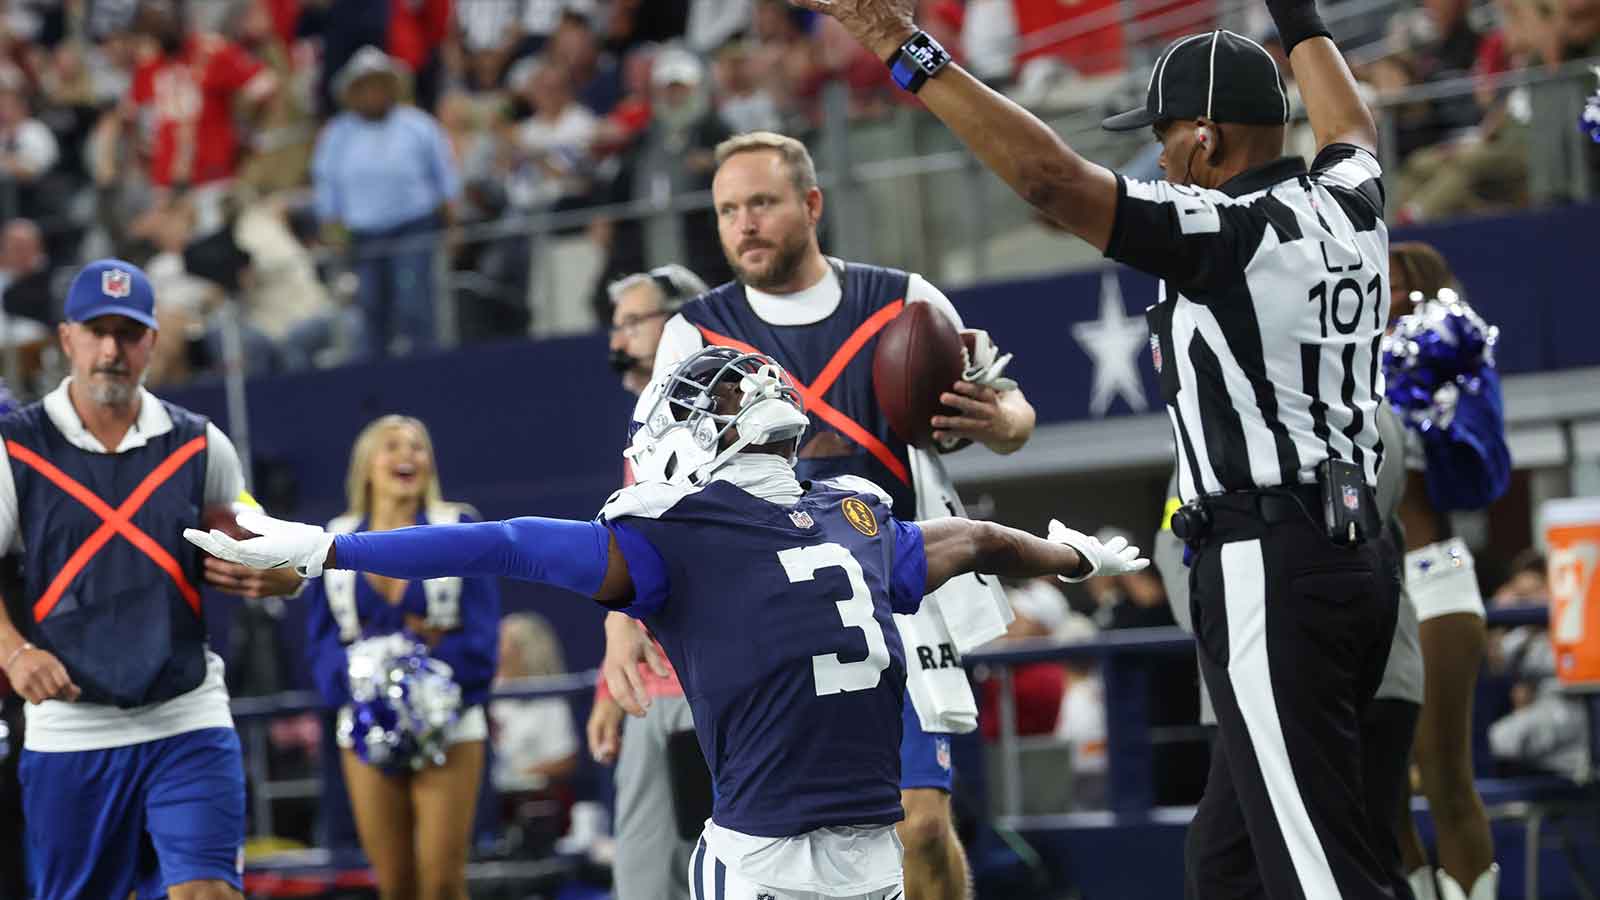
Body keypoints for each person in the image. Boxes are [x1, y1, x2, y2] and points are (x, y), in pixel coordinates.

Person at [800, 0, 1397, 895]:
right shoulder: (1352, 198)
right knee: (1226, 865)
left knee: (1323, 873)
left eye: (1162, 137)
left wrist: (902, 46)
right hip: (1356, 553)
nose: (1155, 157)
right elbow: (1349, 120)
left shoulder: (1223, 237)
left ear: (1205, 140)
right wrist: (1300, 14)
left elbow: (1049, 182)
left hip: (1271, 563)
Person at [188, 345, 1150, 900]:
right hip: (871, 842)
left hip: (769, 852)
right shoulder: (853, 512)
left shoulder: (674, 533)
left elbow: (508, 545)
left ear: (703, 433)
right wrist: (1079, 556)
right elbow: (977, 537)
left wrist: (331, 551)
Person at [637, 130, 1038, 900]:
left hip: (896, 582)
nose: (744, 223)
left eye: (761, 202)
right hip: (764, 606)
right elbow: (654, 473)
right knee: (796, 844)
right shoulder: (693, 332)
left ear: (812, 204)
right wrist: (626, 614)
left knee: (919, 826)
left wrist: (1002, 423)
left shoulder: (906, 300)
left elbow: (1012, 405)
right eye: (727, 210)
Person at [0, 259, 302, 900]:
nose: (112, 350)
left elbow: (271, 549)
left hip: (186, 716)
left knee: (208, 893)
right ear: (67, 338)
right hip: (70, 728)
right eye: (97, 331)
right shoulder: (13, 449)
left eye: (128, 333)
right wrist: (15, 651)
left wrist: (285, 577)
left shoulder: (199, 446)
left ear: (152, 344)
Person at [301, 414, 500, 900]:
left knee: (443, 884)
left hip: (450, 722)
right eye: (393, 446)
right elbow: (322, 640)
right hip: (366, 724)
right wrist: (370, 680)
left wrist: (423, 680)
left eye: (418, 446)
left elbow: (481, 632)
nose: (408, 455)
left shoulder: (460, 525)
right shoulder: (334, 536)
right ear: (366, 466)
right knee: (395, 887)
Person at [1386, 242, 1510, 900]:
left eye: (1407, 291)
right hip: (1367, 589)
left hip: (1435, 576)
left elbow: (1481, 474)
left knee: (1441, 770)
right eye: (1382, 289)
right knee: (1375, 782)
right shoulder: (1341, 365)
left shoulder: (1446, 366)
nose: (1393, 303)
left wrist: (1417, 402)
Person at [595, 264, 712, 900]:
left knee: (716, 874)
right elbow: (633, 562)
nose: (618, 342)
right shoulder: (643, 435)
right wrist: (610, 683)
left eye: (633, 323)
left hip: (709, 682)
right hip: (652, 686)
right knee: (642, 880)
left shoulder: (719, 424)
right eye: (616, 327)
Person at [312, 46, 461, 358]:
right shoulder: (337, 135)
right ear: (354, 92)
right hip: (365, 238)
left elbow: (445, 177)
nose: (373, 92)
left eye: (379, 84)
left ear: (391, 87)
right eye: (365, 86)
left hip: (414, 227)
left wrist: (454, 225)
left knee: (414, 304)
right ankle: (377, 382)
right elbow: (327, 189)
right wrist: (333, 234)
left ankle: (427, 368)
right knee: (370, 311)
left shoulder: (418, 125)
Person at [492, 612, 578, 794]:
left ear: (522, 649)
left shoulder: (549, 696)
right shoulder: (487, 691)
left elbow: (565, 760)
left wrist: (516, 778)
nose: (493, 646)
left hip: (529, 798)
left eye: (501, 641)